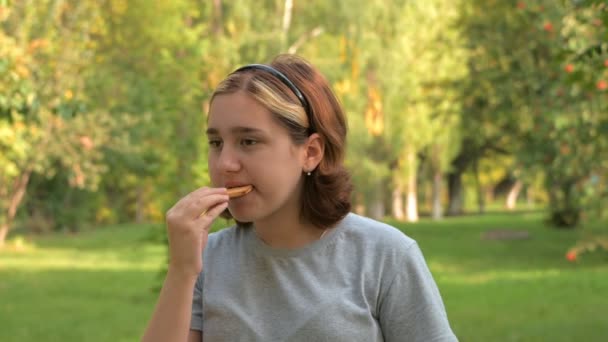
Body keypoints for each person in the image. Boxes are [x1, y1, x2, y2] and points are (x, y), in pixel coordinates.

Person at [142, 54, 458, 342]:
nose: (225, 163)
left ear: (310, 152)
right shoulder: (206, 261)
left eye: (248, 141)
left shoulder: (385, 256)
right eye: (215, 143)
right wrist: (182, 269)